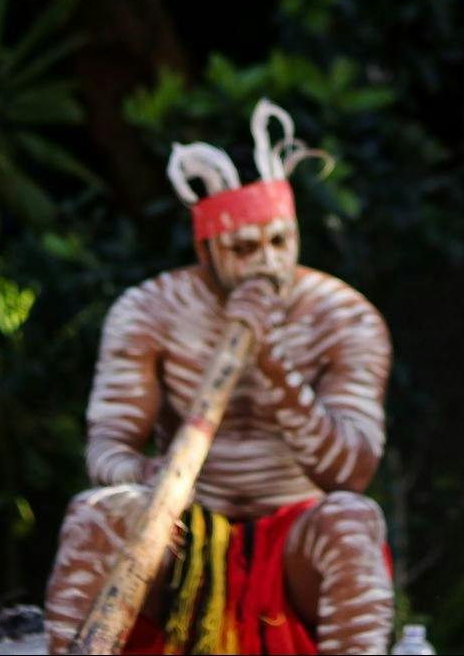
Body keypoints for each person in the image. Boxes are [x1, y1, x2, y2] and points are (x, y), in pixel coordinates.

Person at [43, 104, 393, 655]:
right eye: (244, 248)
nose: (268, 264)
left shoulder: (342, 316)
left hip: (295, 539)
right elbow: (107, 447)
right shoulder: (150, 311)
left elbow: (352, 471)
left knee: (352, 520)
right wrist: (149, 481)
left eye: (281, 242)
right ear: (206, 249)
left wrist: (276, 367)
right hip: (183, 536)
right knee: (94, 515)